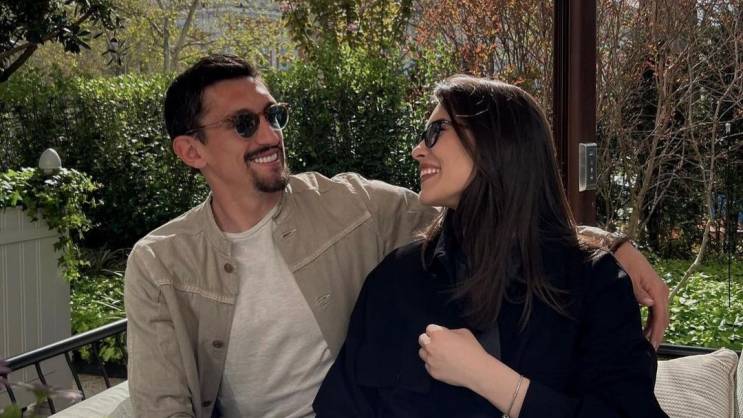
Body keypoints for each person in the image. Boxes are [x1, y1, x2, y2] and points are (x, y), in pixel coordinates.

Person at [124, 55, 668, 418]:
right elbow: (162, 405)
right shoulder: (161, 263)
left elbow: (507, 217)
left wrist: (611, 244)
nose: (270, 134)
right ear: (191, 151)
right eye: (245, 124)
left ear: (497, 142)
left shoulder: (353, 208)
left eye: (274, 116)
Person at [314, 76, 669, 417]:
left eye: (436, 131)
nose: (417, 150)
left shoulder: (594, 283)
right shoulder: (397, 279)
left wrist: (490, 379)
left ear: (498, 141)